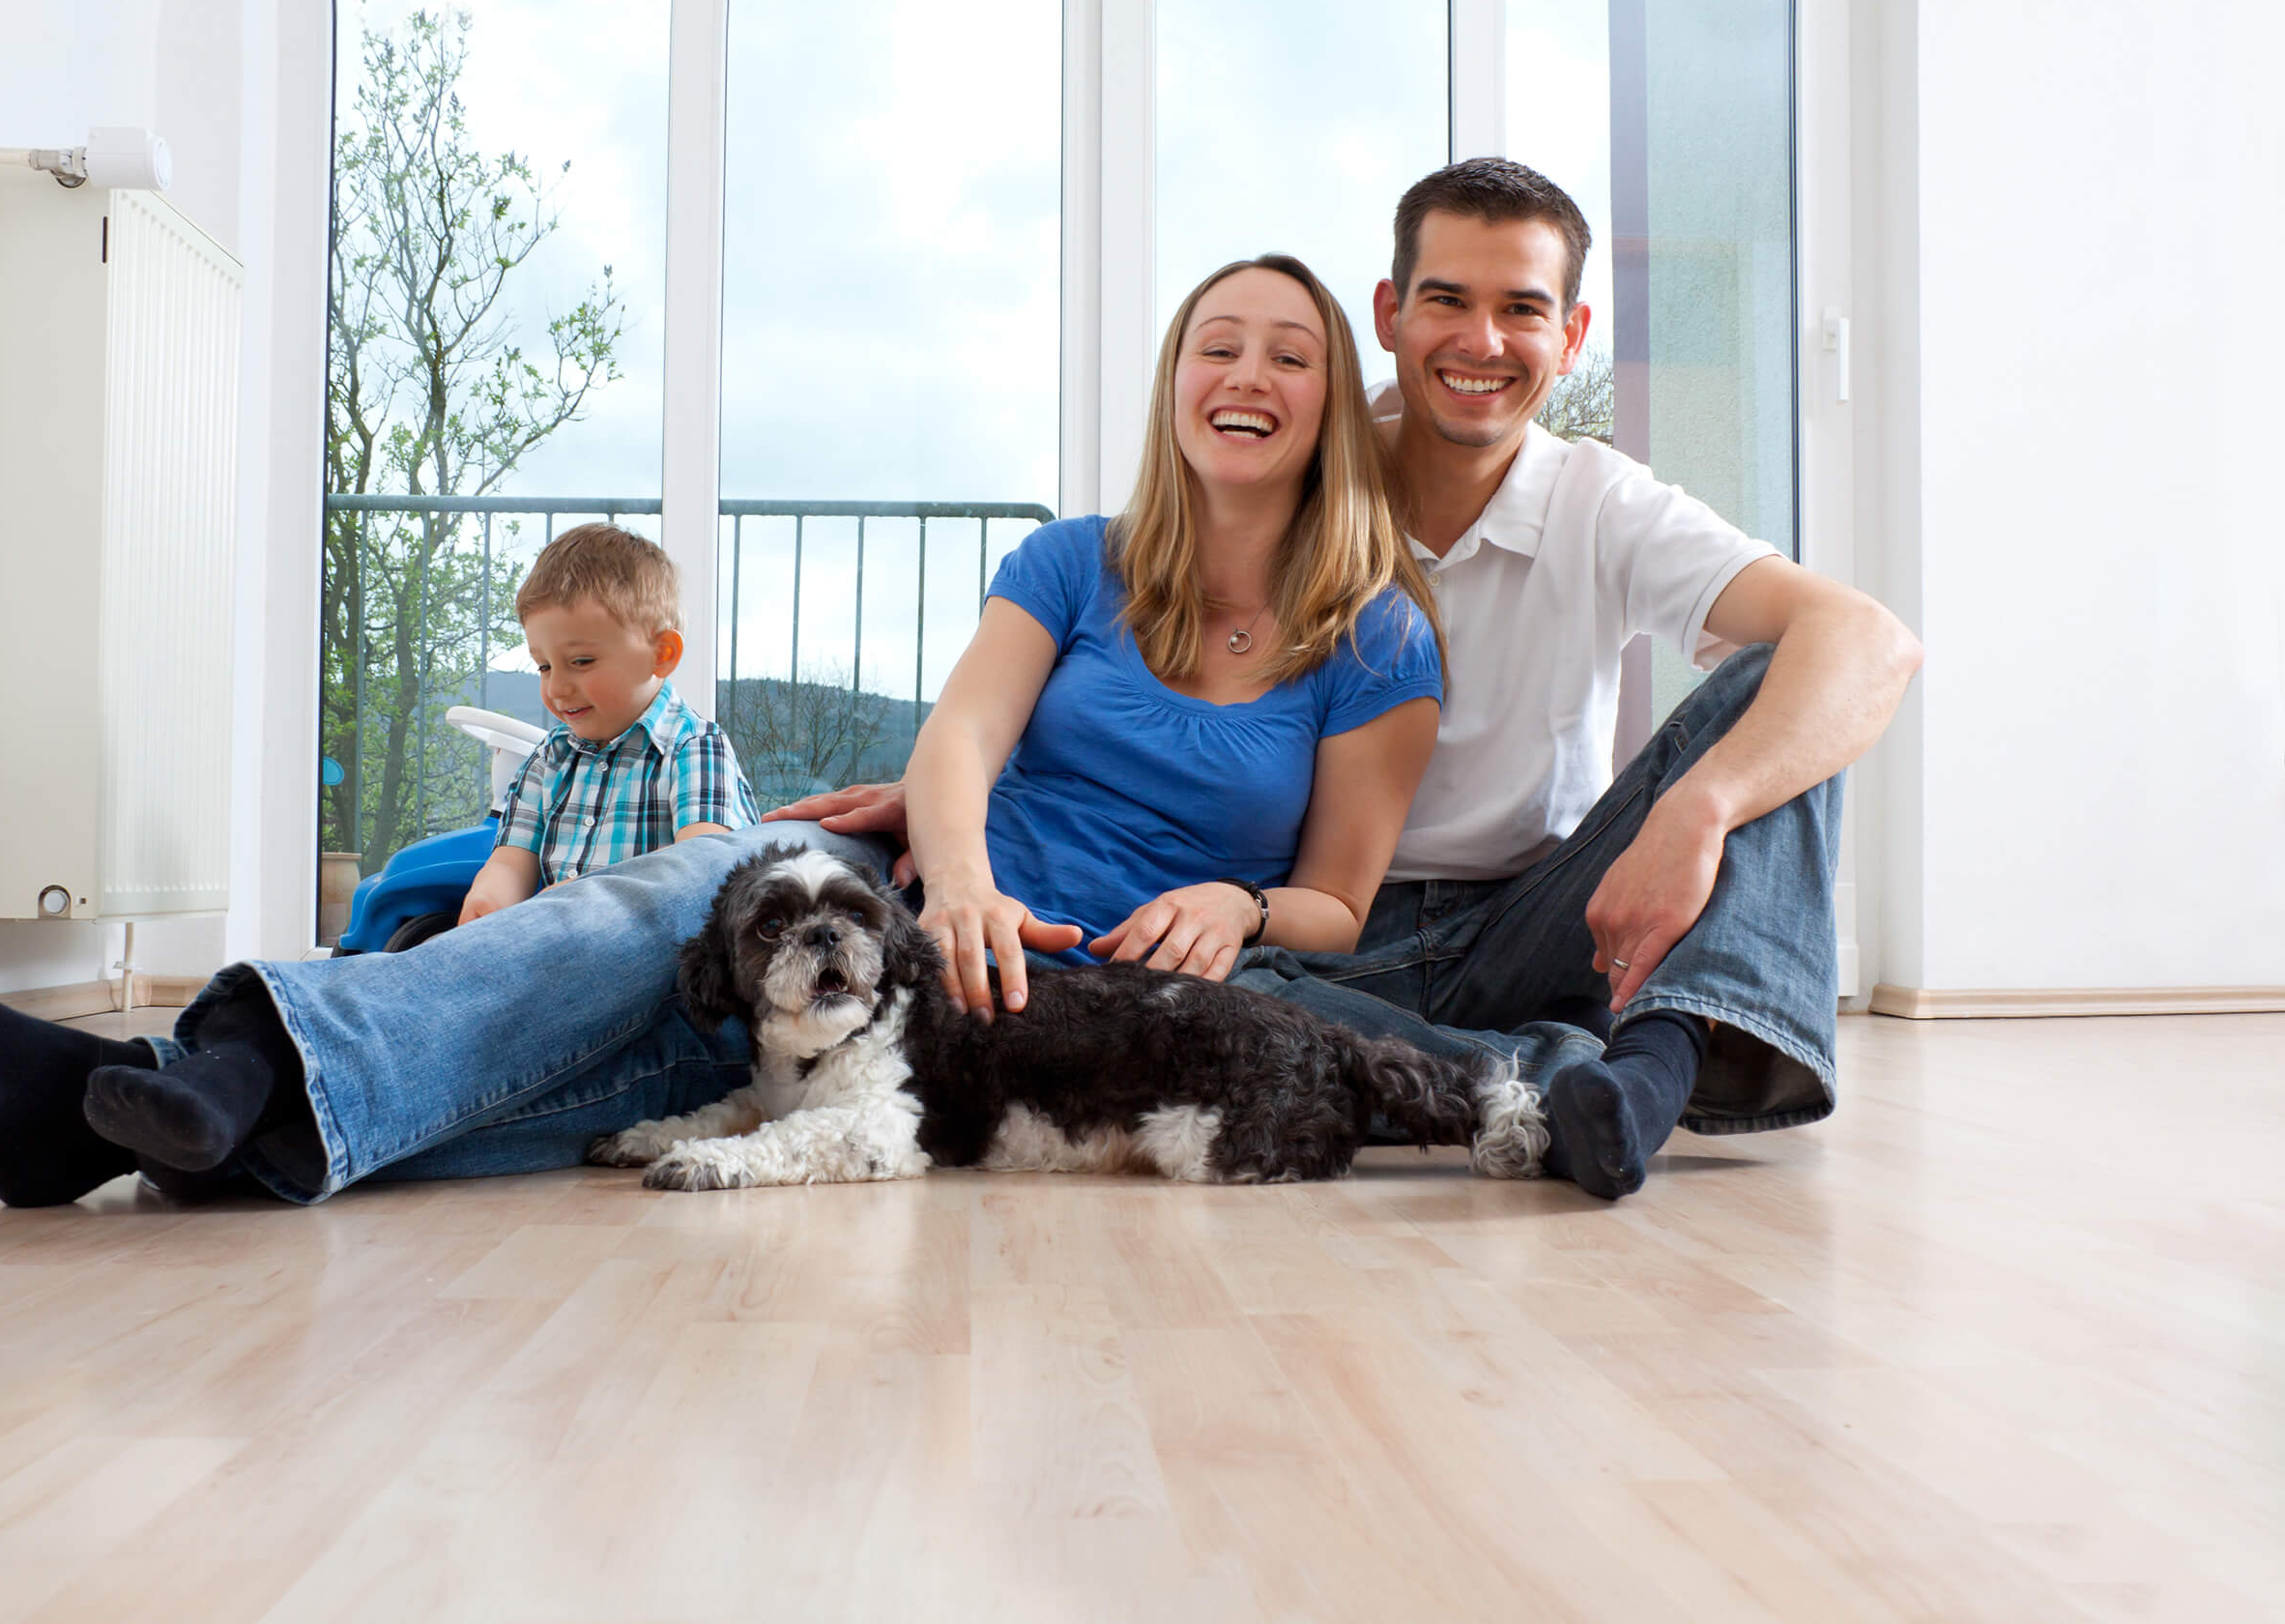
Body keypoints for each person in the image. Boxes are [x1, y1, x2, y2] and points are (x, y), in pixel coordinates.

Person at [0, 254, 1442, 1208]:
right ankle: (214, 1070)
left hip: (1078, 982)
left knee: (642, 1062)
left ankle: (160, 1119)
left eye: (1289, 354)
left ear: (1327, 402)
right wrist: (949, 883)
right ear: (1175, 384)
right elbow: (957, 744)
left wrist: (1239, 903)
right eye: (1215, 345)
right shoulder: (1071, 559)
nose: (1247, 371)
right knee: (653, 908)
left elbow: (1337, 904)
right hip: (913, 893)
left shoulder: (1376, 630)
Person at [780, 158, 1923, 1201]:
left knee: (1790, 684)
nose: (1481, 340)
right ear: (1389, 315)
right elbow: (1136, 668)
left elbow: (1868, 641)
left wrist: (1697, 811)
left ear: (1569, 335)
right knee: (1174, 1004)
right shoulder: (1286, 448)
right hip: (1327, 929)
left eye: (1521, 308)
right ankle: (1557, 1081)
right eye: (1446, 300)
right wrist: (964, 793)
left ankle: (1659, 1067)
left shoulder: (1603, 504)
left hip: (1535, 914)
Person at [459, 523, 757, 925]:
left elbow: (704, 874)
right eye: (544, 666)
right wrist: (488, 905)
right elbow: (511, 863)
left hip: (656, 970)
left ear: (662, 654)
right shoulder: (549, 758)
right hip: (549, 948)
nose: (558, 687)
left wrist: (587, 898)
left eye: (581, 662)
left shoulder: (695, 749)